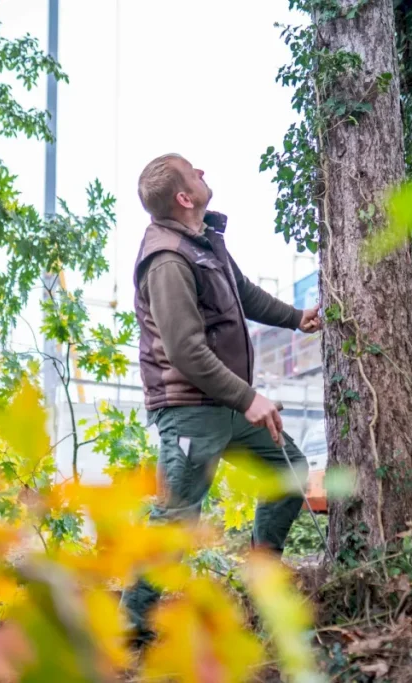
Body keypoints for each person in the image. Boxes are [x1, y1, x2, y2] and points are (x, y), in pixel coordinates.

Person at [122, 153, 322, 646]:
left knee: (288, 471)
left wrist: (297, 318)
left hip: (228, 405)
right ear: (184, 198)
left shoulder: (203, 242)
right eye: (194, 173)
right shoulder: (167, 260)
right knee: (177, 520)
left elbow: (243, 294)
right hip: (191, 412)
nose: (204, 173)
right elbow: (186, 351)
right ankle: (130, 628)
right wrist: (249, 396)